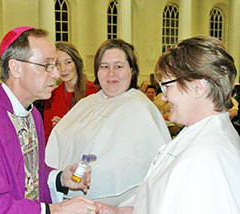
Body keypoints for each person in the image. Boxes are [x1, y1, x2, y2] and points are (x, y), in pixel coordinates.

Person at [0, 26, 96, 214]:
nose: (56, 74)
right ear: (16, 68)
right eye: (47, 65)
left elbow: (29, 175)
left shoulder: (31, 114)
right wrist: (54, 210)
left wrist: (60, 179)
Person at [95, 36, 240, 214]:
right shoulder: (196, 133)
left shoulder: (207, 158)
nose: (163, 97)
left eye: (167, 87)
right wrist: (120, 211)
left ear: (198, 87)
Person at [45, 38, 171, 206]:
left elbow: (130, 165)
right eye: (104, 66)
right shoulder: (88, 102)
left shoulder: (139, 107)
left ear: (132, 70)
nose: (111, 73)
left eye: (118, 66)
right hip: (68, 197)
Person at [44, 41, 97, 143]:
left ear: (76, 63)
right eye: (57, 64)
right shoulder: (52, 95)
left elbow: (99, 132)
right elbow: (47, 136)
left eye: (68, 62)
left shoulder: (94, 92)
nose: (63, 69)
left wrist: (68, 128)